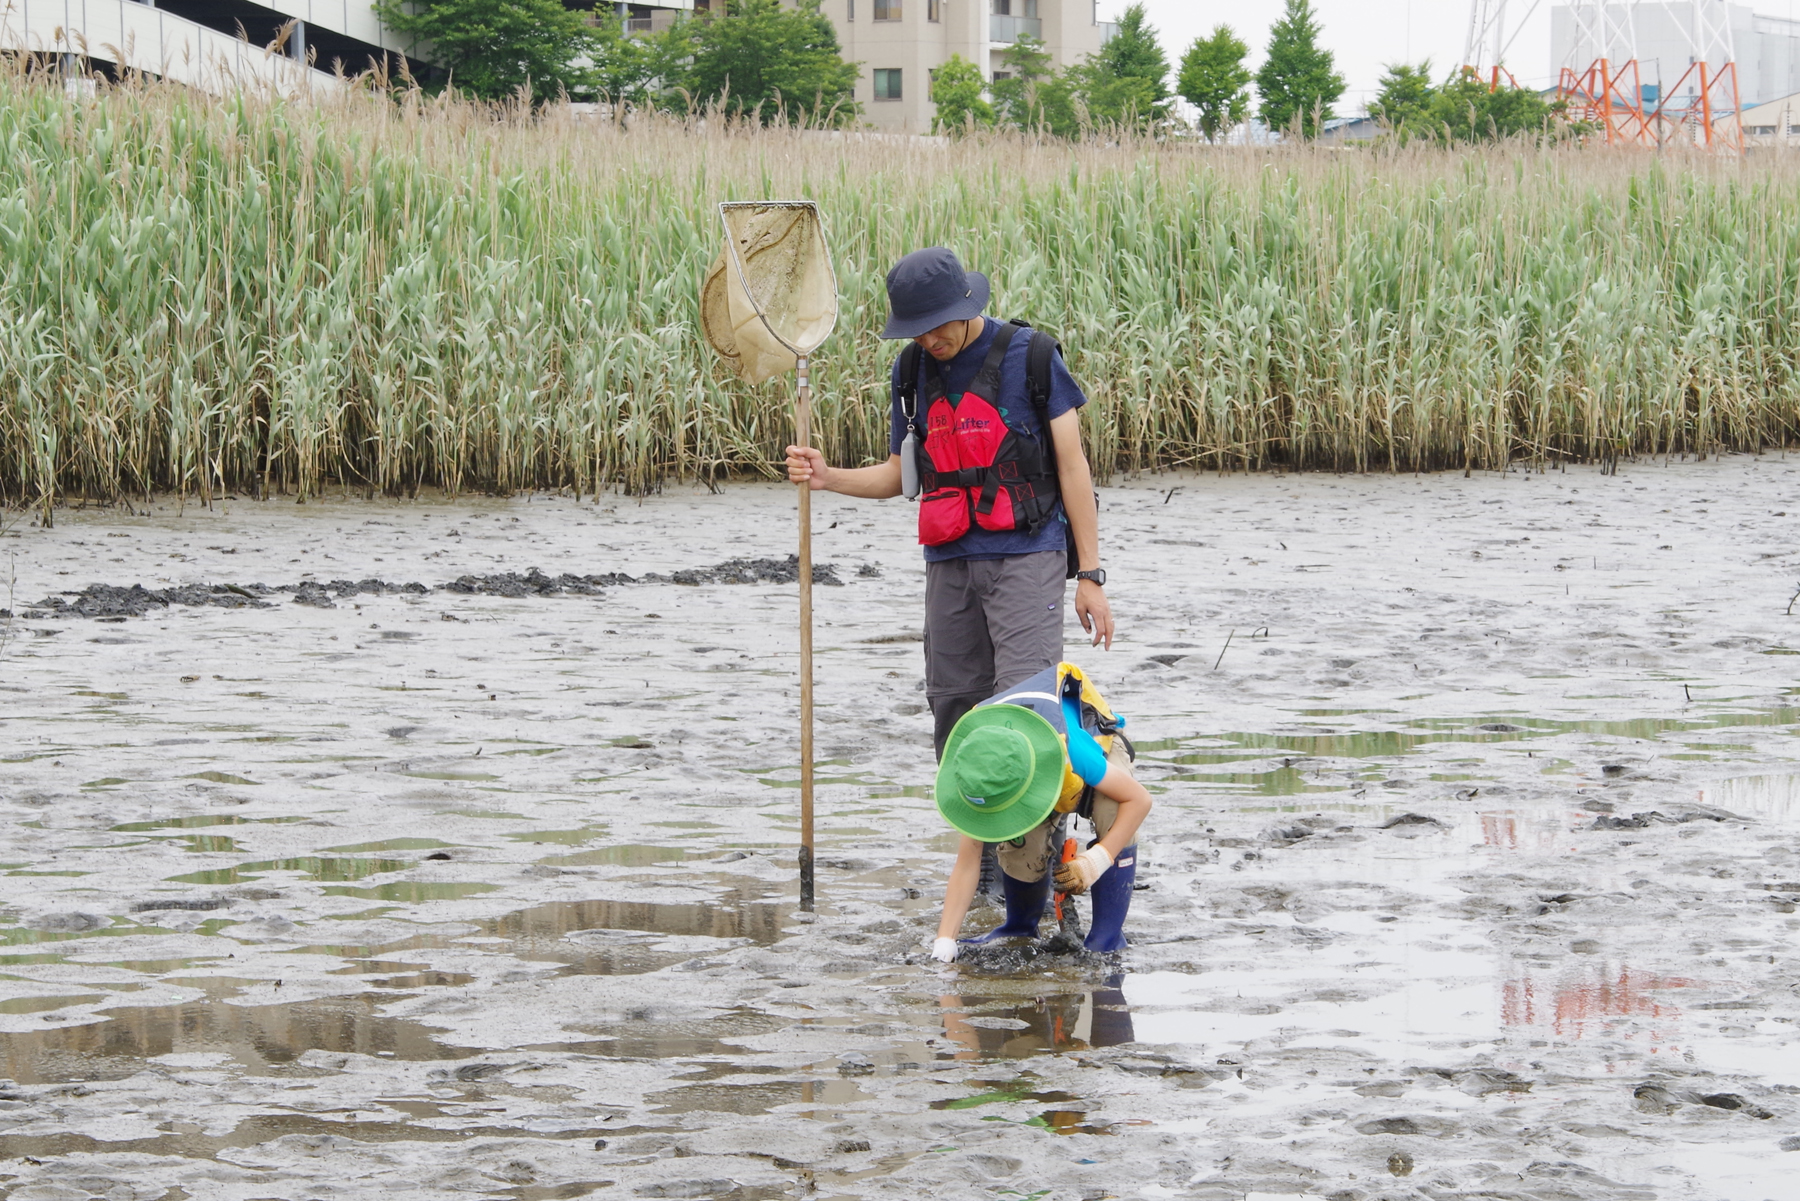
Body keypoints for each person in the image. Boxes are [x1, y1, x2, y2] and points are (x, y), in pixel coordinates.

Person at [784, 247, 1114, 762]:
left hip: (1028, 554)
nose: (929, 339)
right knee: (955, 709)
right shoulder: (912, 370)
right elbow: (901, 472)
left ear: (966, 305)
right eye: (917, 329)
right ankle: (974, 842)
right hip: (950, 561)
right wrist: (828, 478)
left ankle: (1031, 843)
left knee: (1026, 704)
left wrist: (1090, 576)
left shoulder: (1034, 356)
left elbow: (1074, 470)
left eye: (938, 326)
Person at [927, 662, 1152, 963]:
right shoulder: (977, 767)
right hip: (1016, 761)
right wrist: (945, 941)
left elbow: (1139, 801)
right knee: (1022, 839)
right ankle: (1019, 926)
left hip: (1091, 744)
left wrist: (1095, 862)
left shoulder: (1074, 752)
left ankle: (1106, 936)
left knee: (1113, 810)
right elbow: (967, 862)